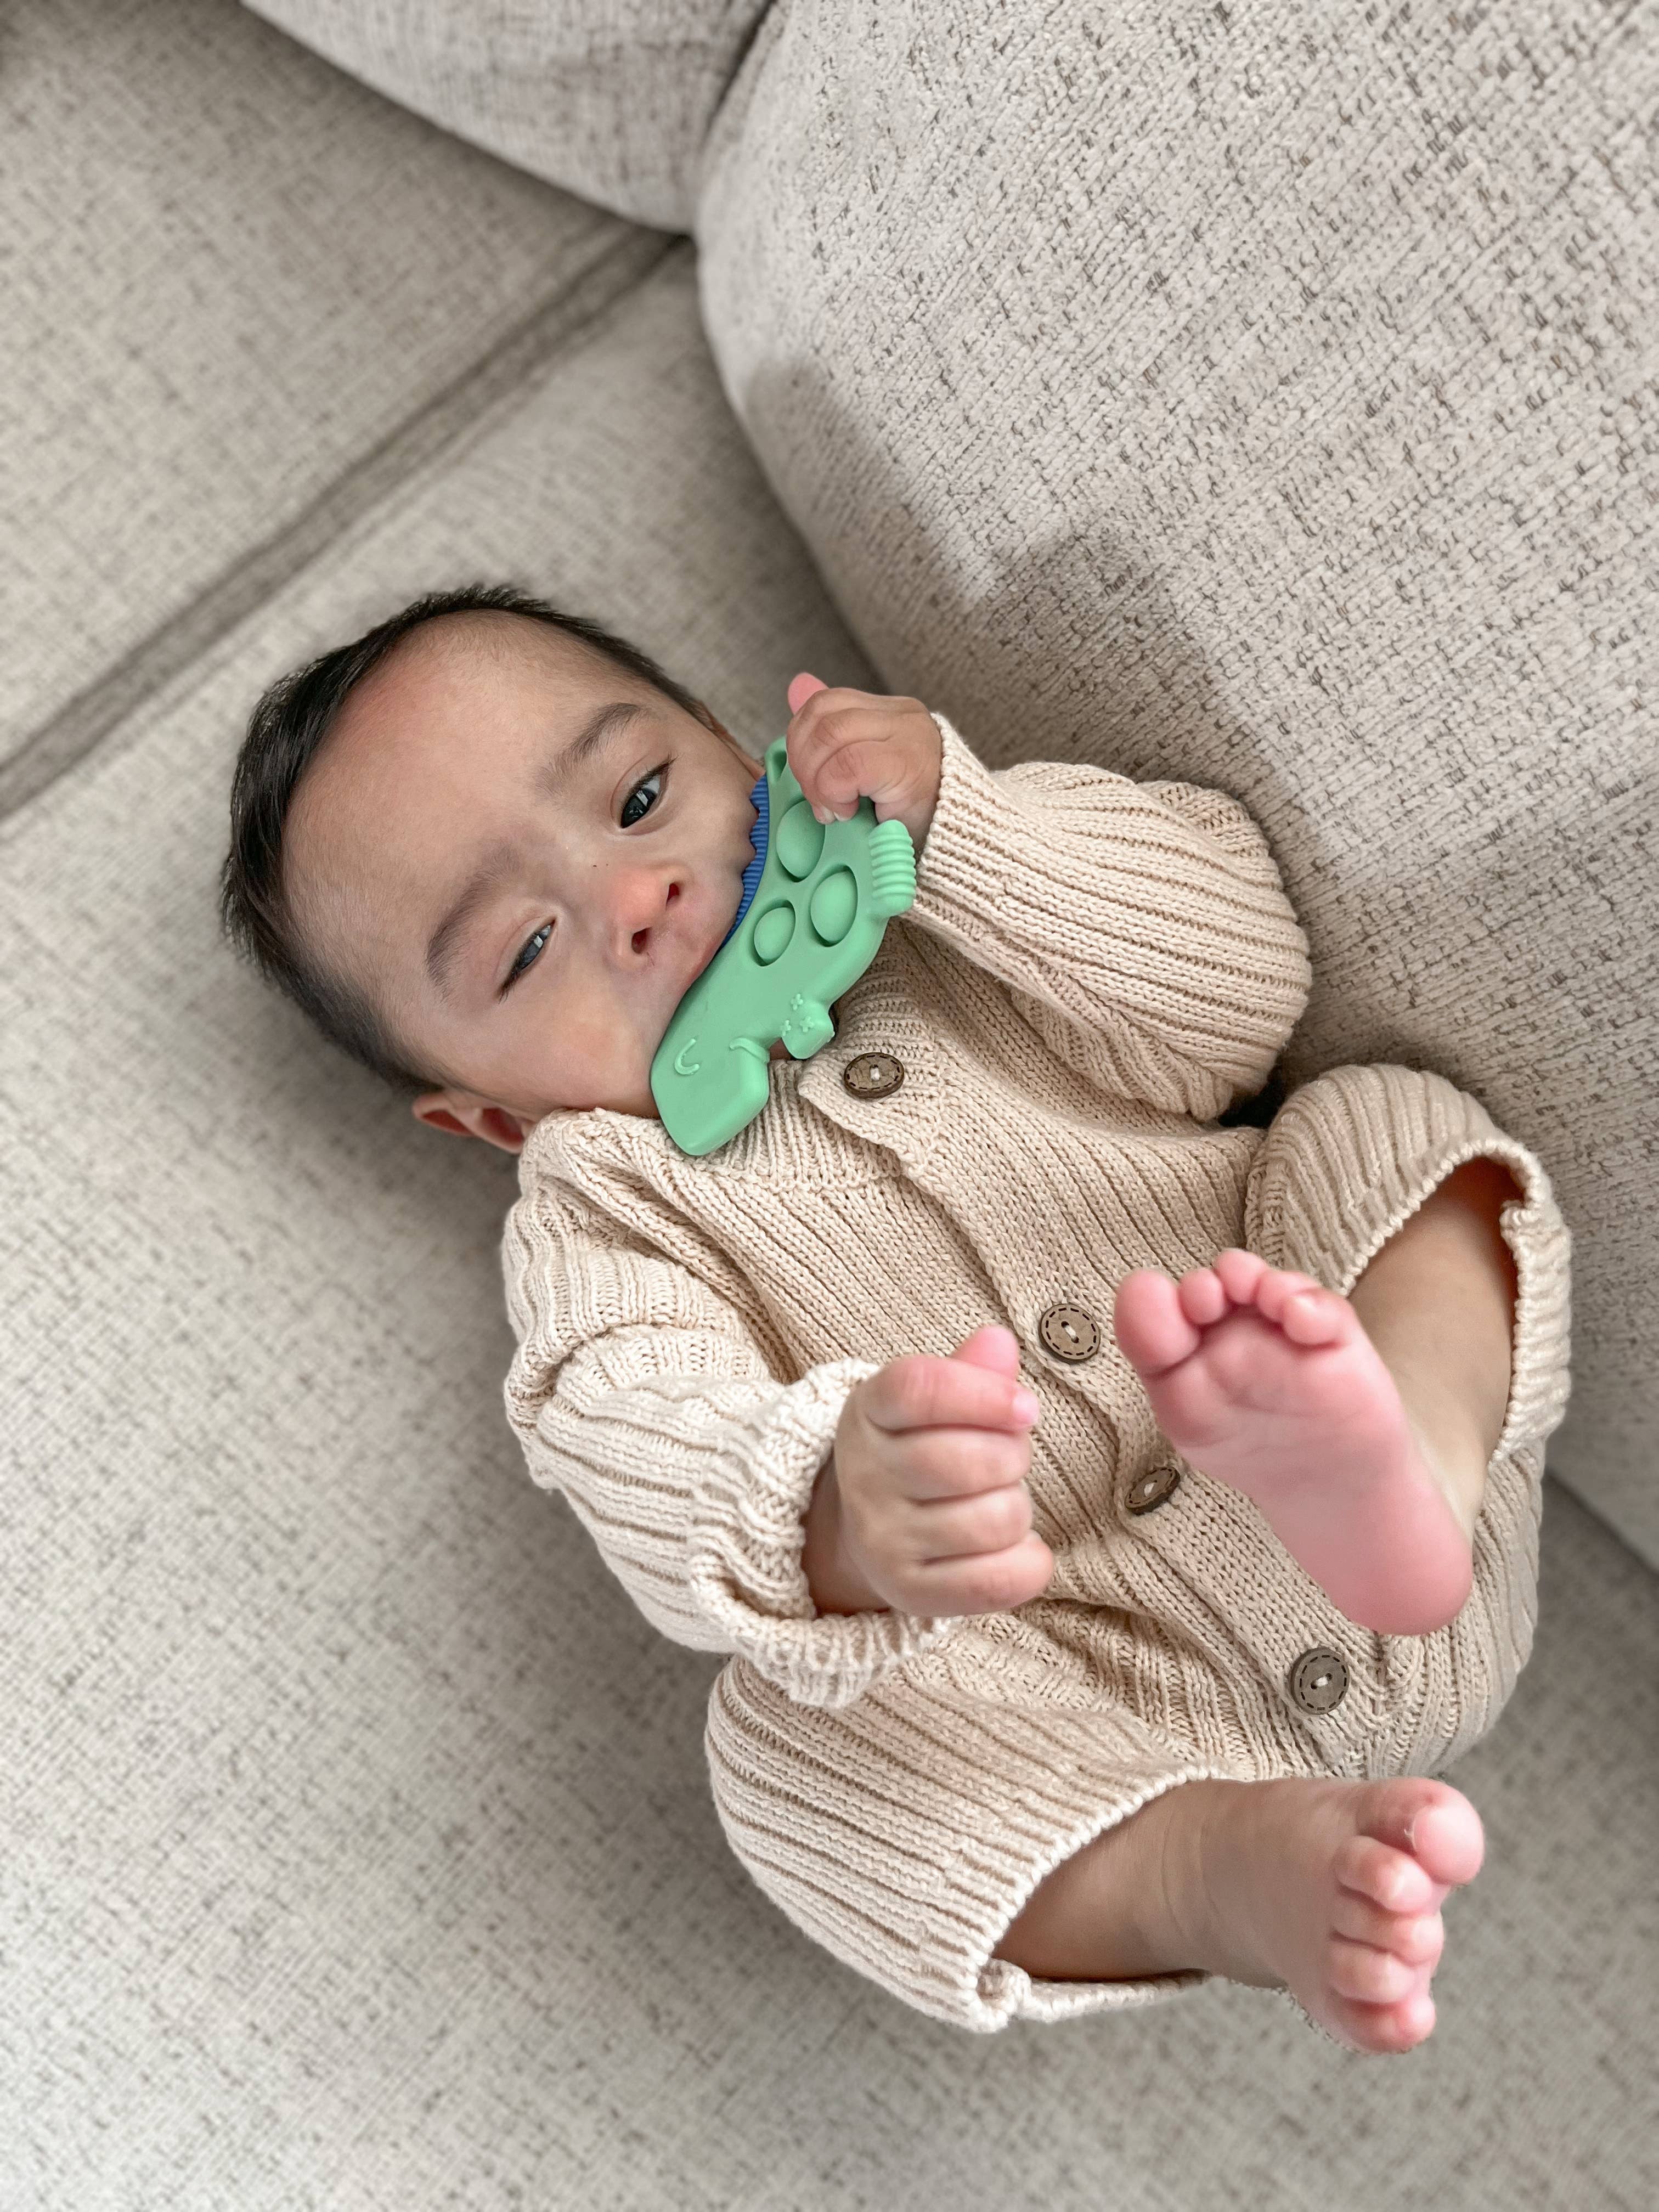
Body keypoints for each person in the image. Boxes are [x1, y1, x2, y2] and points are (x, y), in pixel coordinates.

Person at [220, 584, 1572, 2051]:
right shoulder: (608, 1209)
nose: (634, 899)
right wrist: (831, 1515)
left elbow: (1244, 985)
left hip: (1360, 1453)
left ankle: (1404, 1454)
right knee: (779, 1757)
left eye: (643, 798)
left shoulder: (943, 896)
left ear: (731, 743)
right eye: (525, 950)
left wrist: (971, 831)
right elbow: (616, 1415)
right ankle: (1211, 1872)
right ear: (490, 1116)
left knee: (1385, 1131)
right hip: (1105, 1699)